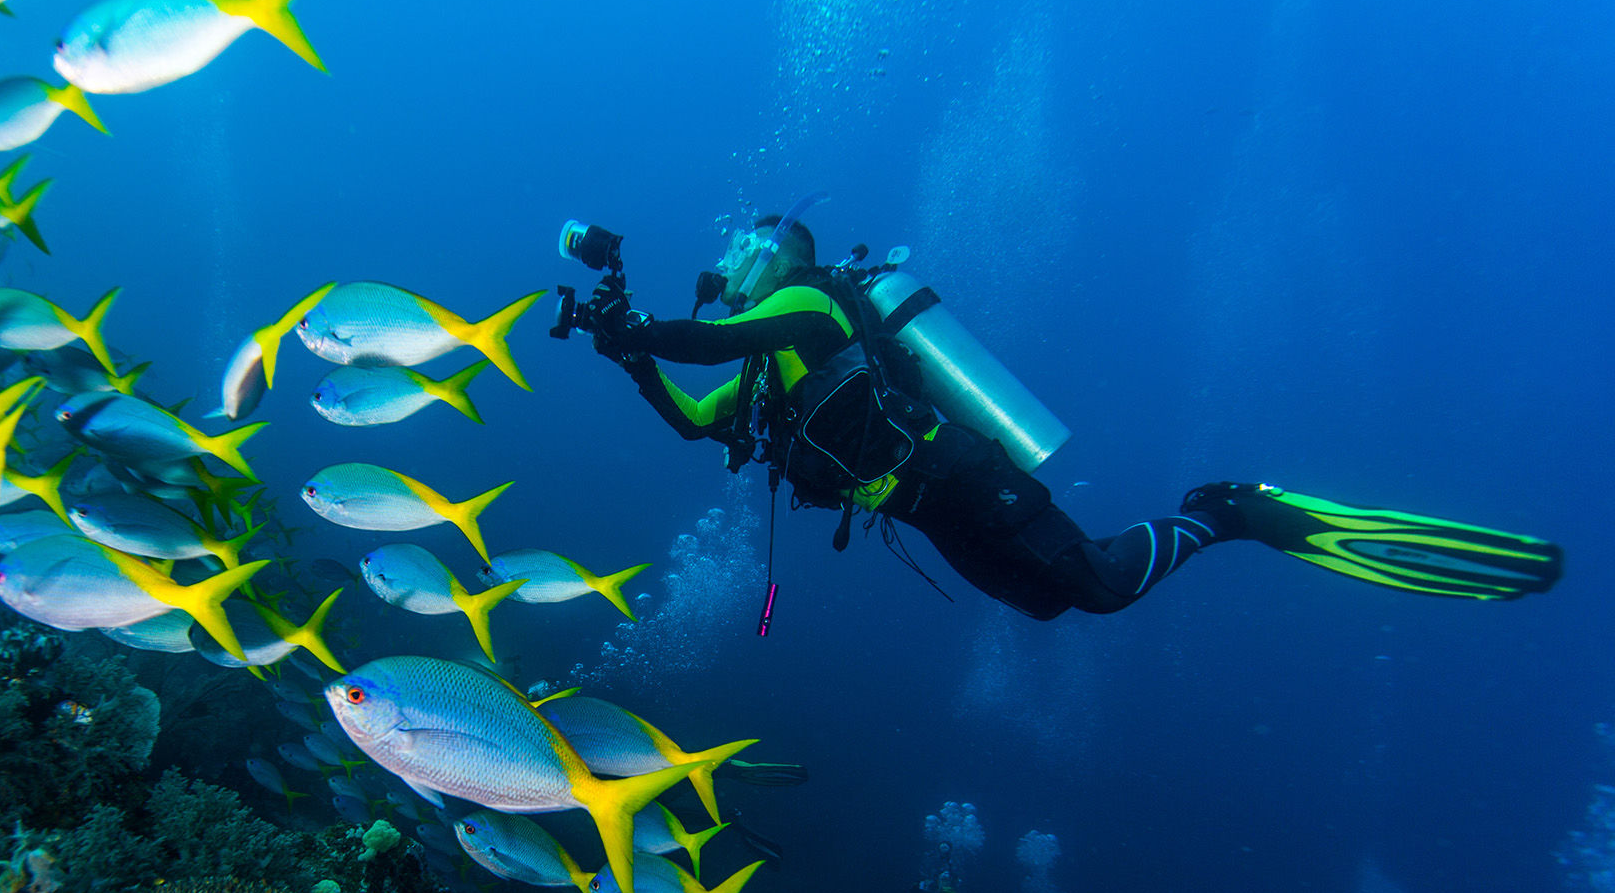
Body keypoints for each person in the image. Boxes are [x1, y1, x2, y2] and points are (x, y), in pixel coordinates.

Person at [575, 210, 1564, 618]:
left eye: (747, 253)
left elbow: (707, 342)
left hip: (956, 474)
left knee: (1091, 584)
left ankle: (1225, 510)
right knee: (1052, 605)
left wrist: (642, 328)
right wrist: (629, 361)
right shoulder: (761, 361)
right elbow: (695, 419)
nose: (734, 270)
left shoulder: (808, 305)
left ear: (779, 258)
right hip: (916, 509)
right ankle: (1210, 515)